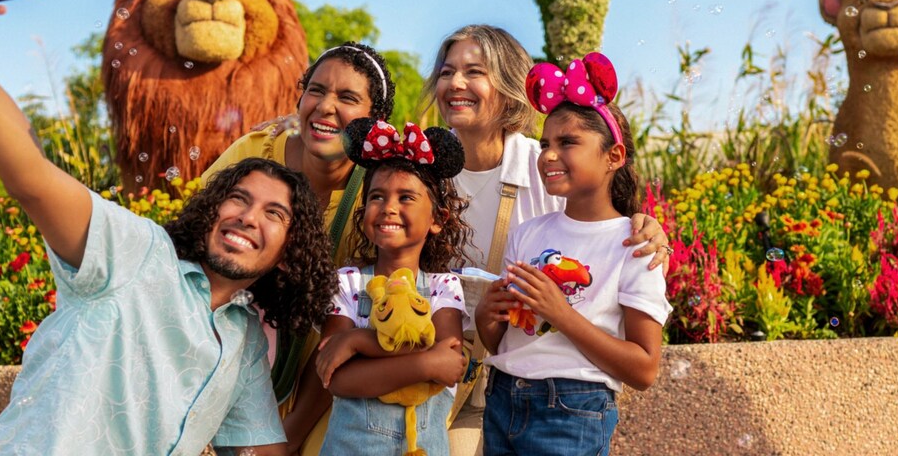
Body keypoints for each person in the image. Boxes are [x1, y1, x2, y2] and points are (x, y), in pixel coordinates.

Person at [0, 0, 335, 455]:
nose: (248, 217)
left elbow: (261, 452)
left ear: (290, 250)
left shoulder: (243, 342)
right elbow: (32, 175)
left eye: (274, 213)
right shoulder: (134, 253)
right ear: (210, 209)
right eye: (238, 197)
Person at [421, 25, 671, 454]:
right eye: (446, 72)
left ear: (508, 88)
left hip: (560, 404)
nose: (456, 83)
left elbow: (601, 213)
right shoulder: (423, 168)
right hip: (460, 372)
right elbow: (504, 332)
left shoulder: (545, 171)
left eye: (474, 71)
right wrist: (490, 313)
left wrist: (649, 226)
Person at [199, 41, 397, 454]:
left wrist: (289, 435)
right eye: (316, 90)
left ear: (374, 121)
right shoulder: (255, 153)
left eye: (347, 98)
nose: (325, 107)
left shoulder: (378, 194)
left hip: (326, 379)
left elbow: (353, 328)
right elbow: (193, 244)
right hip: (230, 362)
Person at [314, 119, 473, 456]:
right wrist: (426, 363)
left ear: (437, 219)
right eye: (377, 196)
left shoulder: (444, 287)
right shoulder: (346, 283)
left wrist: (358, 342)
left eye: (406, 197)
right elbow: (338, 379)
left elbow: (448, 364)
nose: (388, 207)